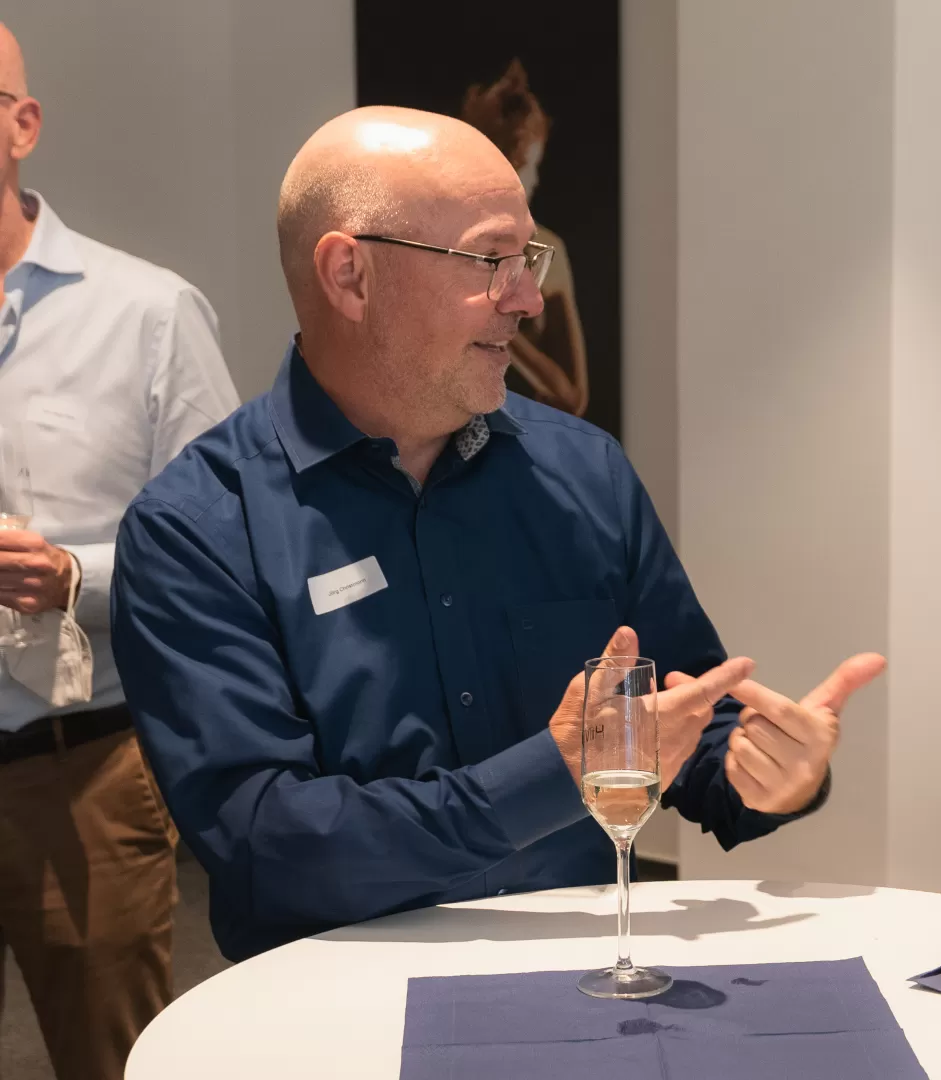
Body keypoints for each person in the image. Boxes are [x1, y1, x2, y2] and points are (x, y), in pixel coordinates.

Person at [109, 106, 884, 963]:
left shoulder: (583, 472)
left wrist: (761, 771)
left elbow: (685, 724)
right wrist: (553, 775)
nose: (528, 299)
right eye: (491, 261)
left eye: (530, 260)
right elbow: (270, 847)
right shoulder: (196, 531)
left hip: (590, 978)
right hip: (337, 1001)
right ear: (349, 275)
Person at [0, 22, 239, 1080]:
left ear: (22, 122)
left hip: (81, 772)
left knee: (116, 1065)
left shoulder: (148, 314)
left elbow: (227, 557)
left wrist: (74, 577)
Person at [460, 58, 589, 415]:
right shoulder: (440, 243)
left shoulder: (548, 249)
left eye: (526, 168)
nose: (520, 184)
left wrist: (495, 317)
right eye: (506, 166)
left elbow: (572, 397)